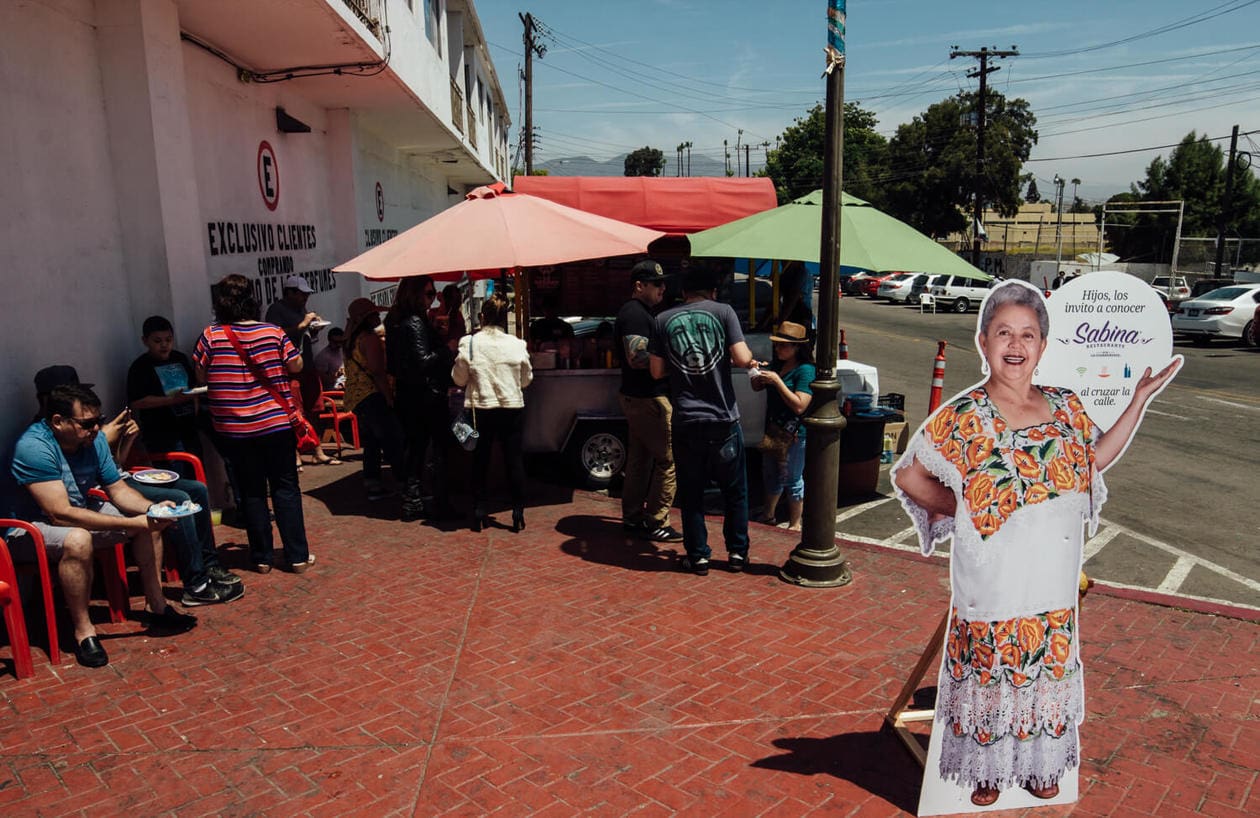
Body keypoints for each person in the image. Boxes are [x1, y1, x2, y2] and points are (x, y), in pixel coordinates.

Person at [891, 281, 1180, 807]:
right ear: (984, 343)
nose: (1016, 345)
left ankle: (1040, 767)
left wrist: (1139, 398)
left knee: (1045, 667)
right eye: (1004, 333)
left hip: (1052, 578)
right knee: (990, 665)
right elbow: (909, 474)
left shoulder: (1067, 407)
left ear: (1043, 346)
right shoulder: (963, 417)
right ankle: (988, 772)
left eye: (1028, 334)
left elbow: (1093, 460)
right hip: (993, 579)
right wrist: (968, 506)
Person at [1, 383, 197, 668]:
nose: (96, 429)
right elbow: (59, 514)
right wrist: (133, 521)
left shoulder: (93, 442)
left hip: (76, 513)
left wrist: (151, 510)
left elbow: (118, 490)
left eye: (99, 421)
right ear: (58, 422)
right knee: (78, 539)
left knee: (150, 523)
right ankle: (84, 632)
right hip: (25, 528)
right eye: (88, 423)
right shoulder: (34, 447)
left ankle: (157, 606)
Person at [194, 274, 314, 574]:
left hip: (234, 429)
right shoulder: (273, 333)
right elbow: (296, 366)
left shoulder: (211, 336)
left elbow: (199, 375)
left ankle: (261, 557)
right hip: (274, 423)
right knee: (285, 488)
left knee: (251, 492)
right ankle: (297, 555)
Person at [649, 267, 762, 575]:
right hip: (722, 418)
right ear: (712, 292)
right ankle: (737, 554)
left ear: (684, 293)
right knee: (735, 492)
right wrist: (746, 357)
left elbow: (656, 372)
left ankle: (698, 556)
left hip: (687, 419)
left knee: (692, 492)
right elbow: (740, 358)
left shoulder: (662, 320)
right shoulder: (724, 312)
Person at [613, 259, 682, 543]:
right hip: (648, 399)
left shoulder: (641, 313)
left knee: (640, 461)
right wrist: (674, 364)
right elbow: (638, 358)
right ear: (639, 285)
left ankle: (632, 517)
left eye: (663, 283)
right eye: (656, 284)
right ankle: (657, 521)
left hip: (637, 397)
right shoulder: (636, 314)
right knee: (667, 461)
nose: (662, 288)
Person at [452, 293, 532, 533]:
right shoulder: (517, 344)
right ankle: (517, 511)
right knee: (513, 460)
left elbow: (459, 378)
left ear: (482, 317)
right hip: (511, 408)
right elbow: (526, 379)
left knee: (480, 460)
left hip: (481, 408)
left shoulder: (470, 343)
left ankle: (478, 509)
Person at [385, 279, 455, 521]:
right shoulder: (414, 322)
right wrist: (447, 349)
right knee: (439, 449)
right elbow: (423, 360)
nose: (433, 299)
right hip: (426, 396)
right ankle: (438, 501)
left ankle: (413, 500)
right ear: (415, 295)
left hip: (409, 395)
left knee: (416, 449)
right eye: (428, 294)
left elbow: (397, 363)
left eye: (434, 293)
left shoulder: (396, 321)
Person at [750, 321, 815, 531]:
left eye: (783, 346)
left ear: (797, 348)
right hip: (774, 430)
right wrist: (757, 377)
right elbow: (757, 388)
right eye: (777, 345)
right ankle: (768, 514)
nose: (778, 349)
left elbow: (800, 405)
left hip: (794, 433)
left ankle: (796, 522)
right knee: (771, 473)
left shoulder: (805, 370)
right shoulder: (778, 365)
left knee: (792, 477)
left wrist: (777, 381)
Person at [344, 297, 408, 505]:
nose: (378, 316)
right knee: (393, 439)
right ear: (366, 318)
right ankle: (404, 483)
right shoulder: (369, 339)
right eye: (375, 314)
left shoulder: (350, 338)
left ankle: (373, 484)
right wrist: (389, 396)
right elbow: (378, 372)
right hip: (373, 395)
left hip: (357, 397)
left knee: (371, 442)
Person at [430, 284, 467, 353]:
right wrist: (442, 304)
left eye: (459, 301)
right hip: (439, 354)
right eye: (455, 301)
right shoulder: (433, 313)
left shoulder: (458, 315)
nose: (458, 304)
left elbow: (462, 335)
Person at [313, 327, 346, 391]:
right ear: (329, 340)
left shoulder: (342, 350)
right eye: (335, 342)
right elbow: (320, 379)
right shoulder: (323, 356)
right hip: (331, 391)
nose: (339, 345)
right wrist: (336, 376)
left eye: (340, 342)